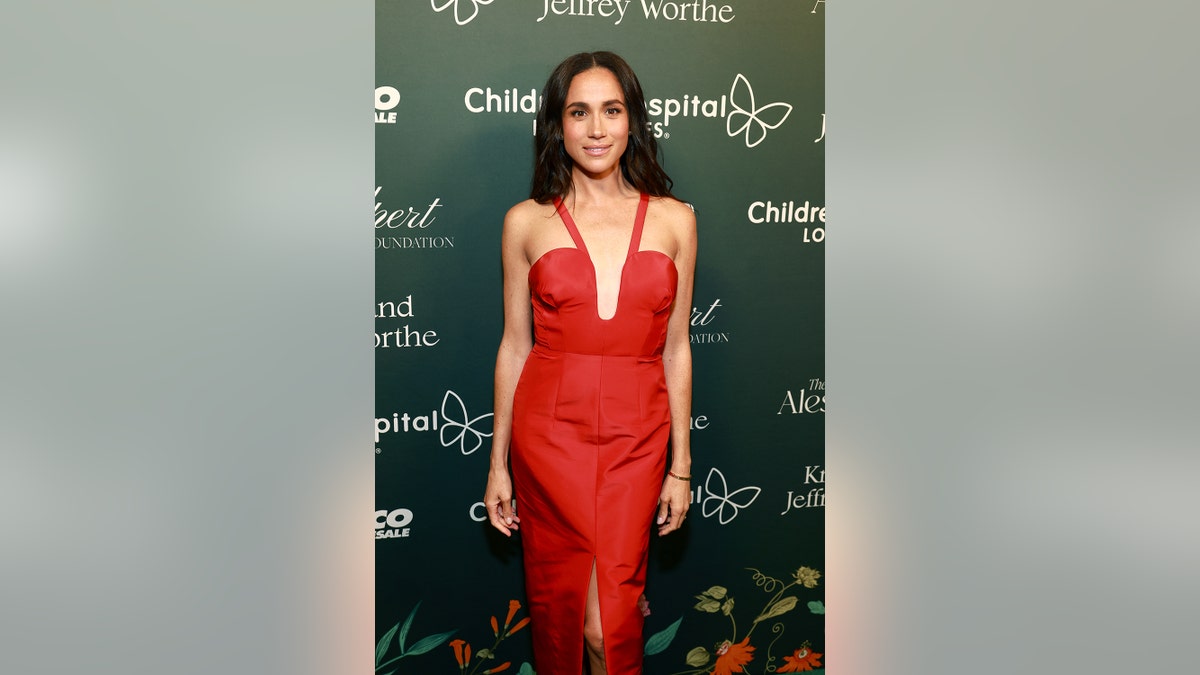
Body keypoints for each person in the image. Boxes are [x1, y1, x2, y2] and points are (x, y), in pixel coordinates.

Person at [483, 51, 697, 675]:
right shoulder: (526, 222)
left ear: (633, 122)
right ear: (558, 123)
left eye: (612, 110)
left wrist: (680, 467)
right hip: (548, 441)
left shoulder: (675, 220)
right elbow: (514, 346)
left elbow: (676, 347)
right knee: (563, 614)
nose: (597, 129)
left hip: (638, 438)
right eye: (580, 112)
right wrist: (497, 464)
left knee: (610, 624)